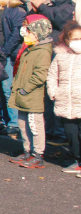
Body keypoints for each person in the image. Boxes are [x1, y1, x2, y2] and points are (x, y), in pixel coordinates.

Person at [7, 16, 52, 168]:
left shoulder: (43, 51)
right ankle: (28, 151)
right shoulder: (30, 49)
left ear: (39, 33)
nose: (27, 34)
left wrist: (26, 89)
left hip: (32, 95)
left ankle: (38, 154)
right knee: (23, 124)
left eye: (30, 32)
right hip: (23, 94)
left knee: (35, 126)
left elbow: (40, 75)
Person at [47, 21, 81, 175]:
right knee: (71, 133)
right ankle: (78, 160)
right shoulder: (61, 56)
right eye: (75, 39)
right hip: (65, 102)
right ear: (67, 41)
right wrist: (54, 92)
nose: (78, 42)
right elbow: (52, 75)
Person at [0, 0, 28, 133]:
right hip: (5, 54)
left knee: (8, 88)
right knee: (3, 89)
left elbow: (17, 33)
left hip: (11, 55)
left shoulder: (18, 11)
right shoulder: (6, 9)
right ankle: (7, 121)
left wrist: (5, 51)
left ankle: (14, 123)